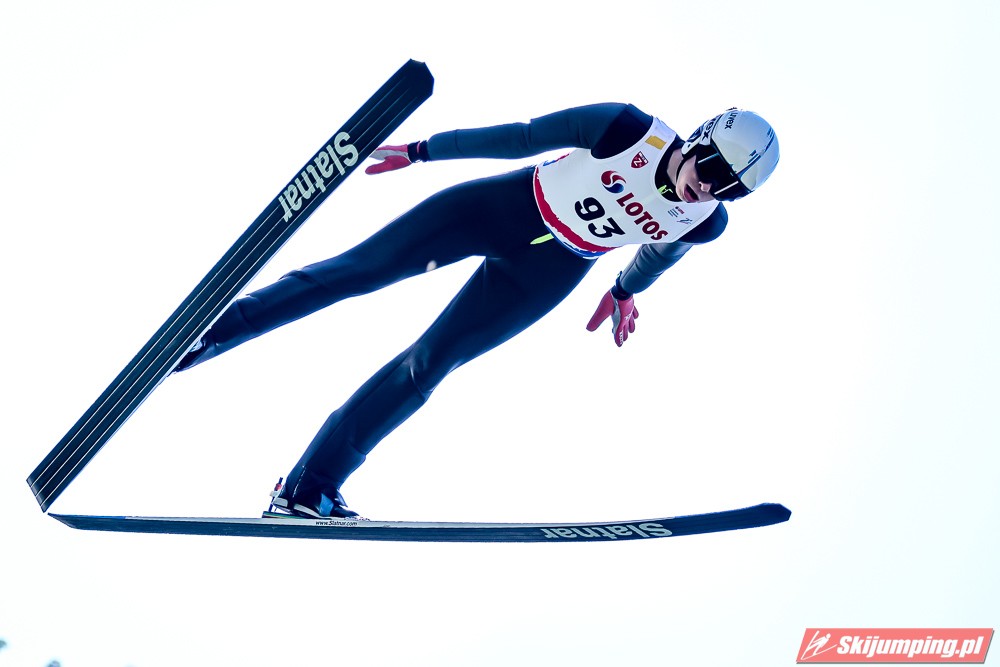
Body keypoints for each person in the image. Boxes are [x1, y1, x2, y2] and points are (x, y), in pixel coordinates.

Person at [174, 103, 780, 518]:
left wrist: (625, 291)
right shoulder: (627, 129)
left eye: (729, 189)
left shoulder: (705, 221)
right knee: (356, 273)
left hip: (549, 270)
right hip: (499, 209)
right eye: (711, 170)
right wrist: (422, 151)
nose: (709, 189)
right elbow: (520, 137)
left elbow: (660, 252)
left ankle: (310, 489)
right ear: (698, 140)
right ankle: (208, 333)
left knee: (429, 367)